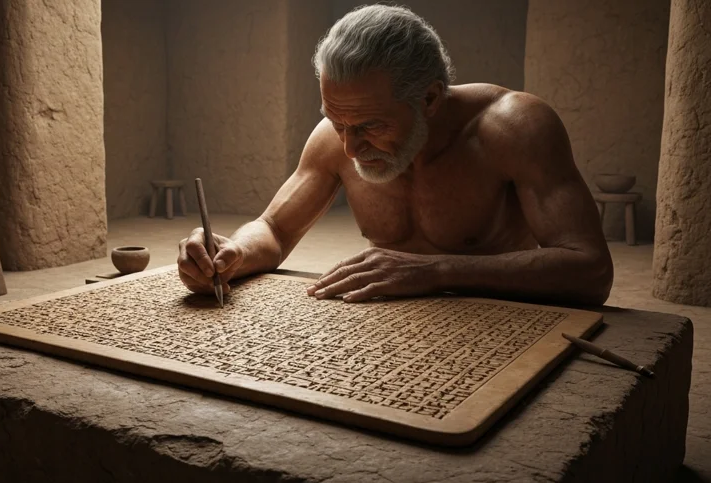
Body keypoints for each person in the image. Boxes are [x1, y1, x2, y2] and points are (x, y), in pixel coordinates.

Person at [177, 4, 613, 306]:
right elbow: (274, 229)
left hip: (498, 324)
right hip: (385, 330)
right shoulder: (337, 134)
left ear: (430, 98)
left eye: (371, 126)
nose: (349, 147)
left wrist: (437, 271)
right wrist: (232, 252)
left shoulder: (514, 127)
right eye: (337, 121)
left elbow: (590, 270)